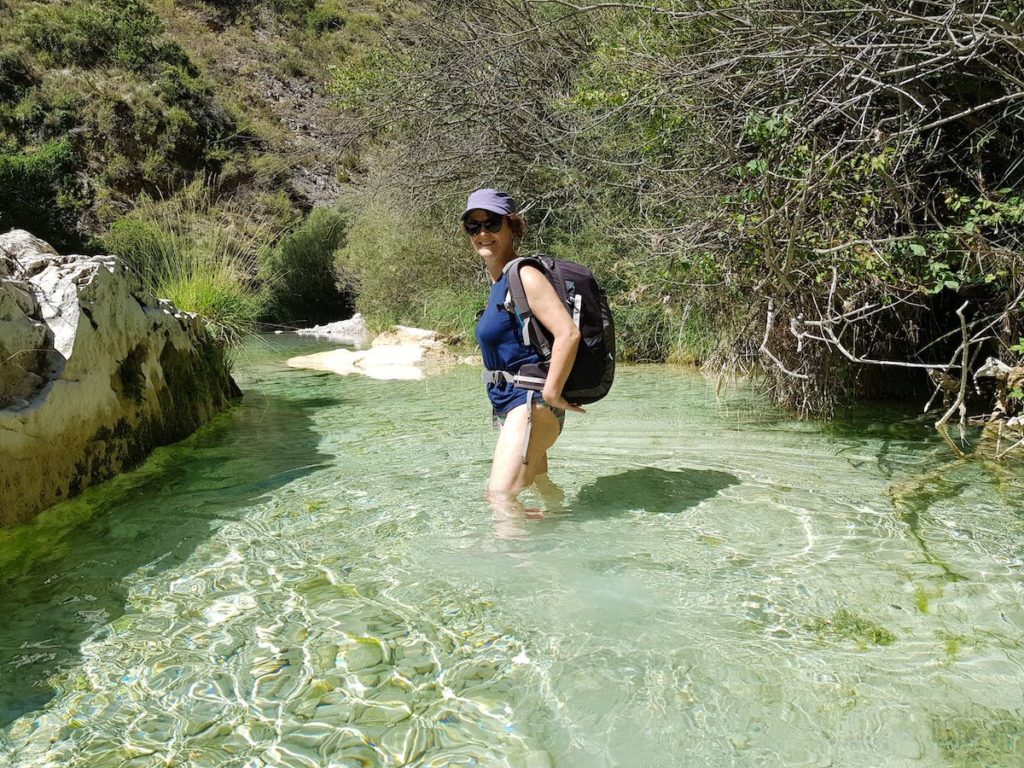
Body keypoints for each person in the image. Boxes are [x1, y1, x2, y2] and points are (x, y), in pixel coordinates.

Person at [463, 188, 583, 511]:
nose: (483, 233)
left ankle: (516, 561)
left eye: (491, 223)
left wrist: (553, 393)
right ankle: (564, 542)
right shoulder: (498, 283)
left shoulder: (524, 275)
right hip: (514, 404)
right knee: (543, 491)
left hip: (530, 403)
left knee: (500, 500)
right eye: (473, 227)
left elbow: (568, 333)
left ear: (512, 227)